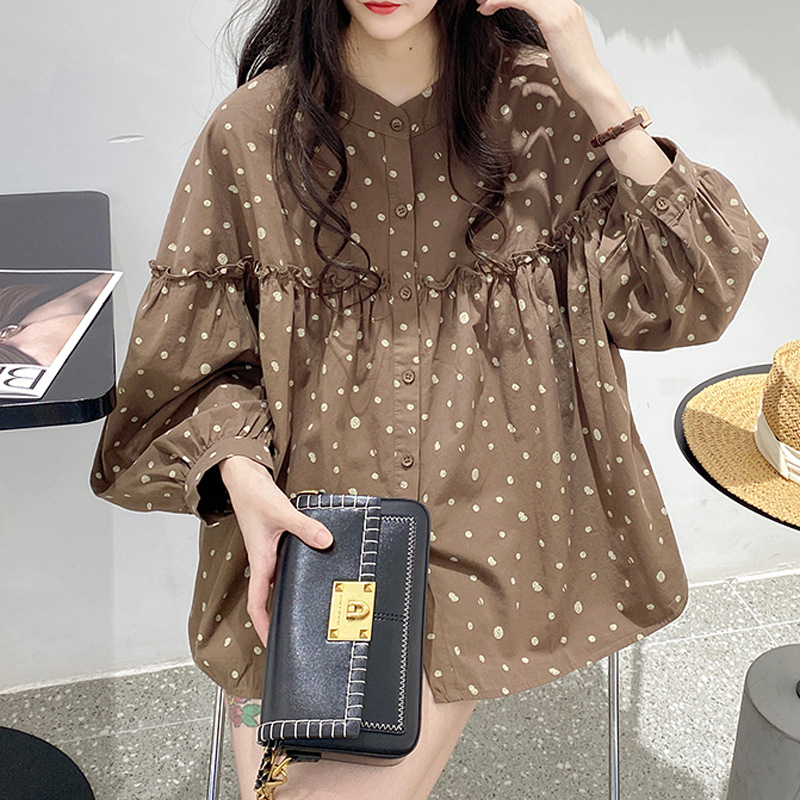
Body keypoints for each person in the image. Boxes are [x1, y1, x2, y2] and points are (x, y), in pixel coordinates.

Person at [90, 0, 768, 796]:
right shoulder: (252, 130)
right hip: (311, 525)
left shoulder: (541, 112)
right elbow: (189, 367)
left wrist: (592, 82)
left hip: (495, 521)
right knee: (276, 785)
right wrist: (240, 474)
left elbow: (694, 289)